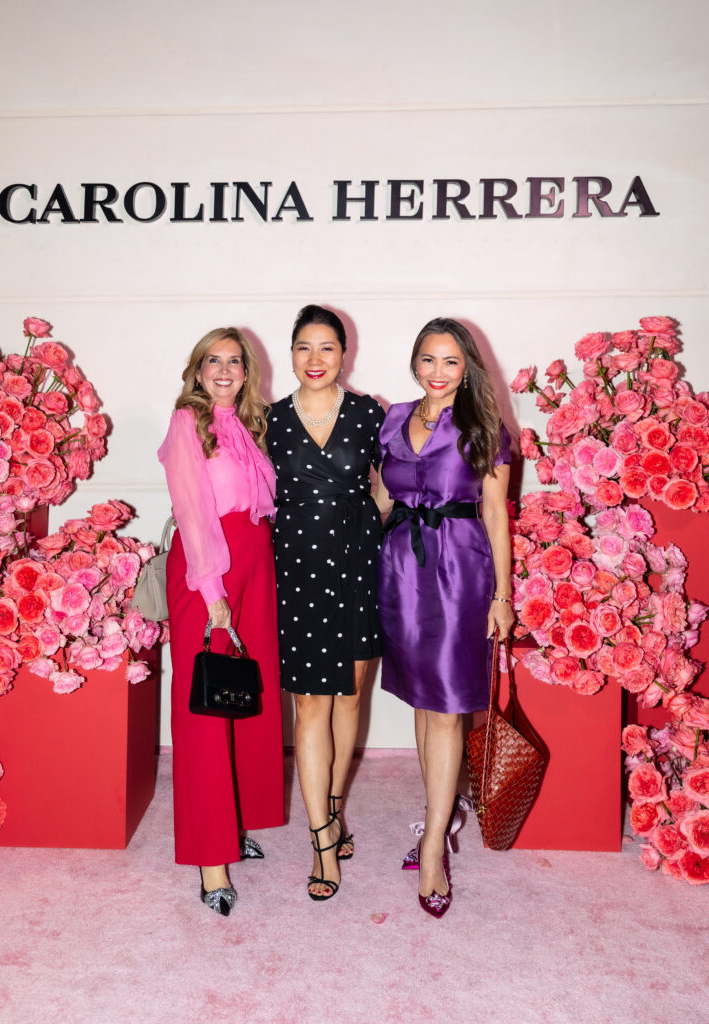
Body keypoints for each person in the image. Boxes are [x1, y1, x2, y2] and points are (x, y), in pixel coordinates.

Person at [375, 317, 514, 919]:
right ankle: (438, 812)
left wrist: (503, 596)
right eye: (428, 360)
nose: (437, 372)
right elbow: (382, 496)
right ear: (415, 364)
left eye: (450, 361)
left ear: (467, 368)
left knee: (451, 707)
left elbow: (496, 515)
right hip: (402, 570)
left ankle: (433, 846)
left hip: (461, 574)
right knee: (423, 702)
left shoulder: (486, 427)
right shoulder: (391, 418)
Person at [158, 327, 284, 916]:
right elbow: (191, 507)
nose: (226, 370)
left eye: (235, 361)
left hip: (255, 566)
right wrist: (212, 591)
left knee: (248, 701)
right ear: (197, 369)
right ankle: (211, 858)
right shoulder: (187, 422)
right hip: (210, 570)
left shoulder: (246, 425)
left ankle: (238, 825)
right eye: (215, 360)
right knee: (206, 712)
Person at [267, 305, 384, 901]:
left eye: (327, 349)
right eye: (304, 348)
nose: (315, 361)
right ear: (291, 354)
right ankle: (320, 841)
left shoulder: (370, 414)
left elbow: (386, 491)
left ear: (345, 353)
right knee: (310, 709)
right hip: (298, 576)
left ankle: (335, 810)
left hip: (360, 570)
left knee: (349, 699)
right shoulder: (268, 420)